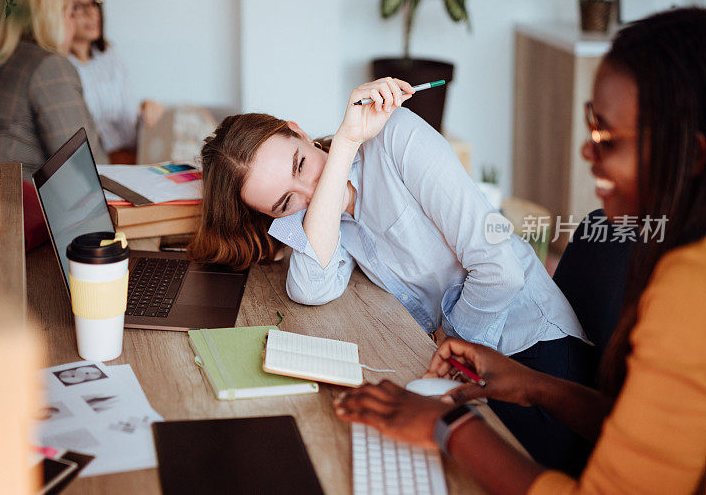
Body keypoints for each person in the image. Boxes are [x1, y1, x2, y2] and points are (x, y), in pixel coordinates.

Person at [334, 8, 706, 494]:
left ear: (693, 154)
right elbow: (647, 427)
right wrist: (530, 384)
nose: (586, 152)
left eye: (607, 137)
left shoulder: (689, 292)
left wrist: (447, 427)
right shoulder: (671, 254)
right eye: (590, 124)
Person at [189, 79, 591, 470]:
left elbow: (500, 270)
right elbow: (311, 289)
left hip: (531, 345)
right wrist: (339, 158)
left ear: (299, 131)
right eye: (284, 202)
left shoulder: (394, 138)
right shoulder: (320, 214)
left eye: (301, 164)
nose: (309, 195)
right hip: (462, 362)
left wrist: (447, 344)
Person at [0, 0, 107, 179]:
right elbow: (83, 170)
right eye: (70, 14)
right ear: (50, 19)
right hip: (27, 206)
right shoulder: (49, 67)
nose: (73, 24)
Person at [58, 0, 163, 164]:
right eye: (78, 7)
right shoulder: (59, 67)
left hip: (133, 155)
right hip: (100, 165)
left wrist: (145, 110)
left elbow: (128, 121)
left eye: (93, 3)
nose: (91, 13)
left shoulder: (108, 55)